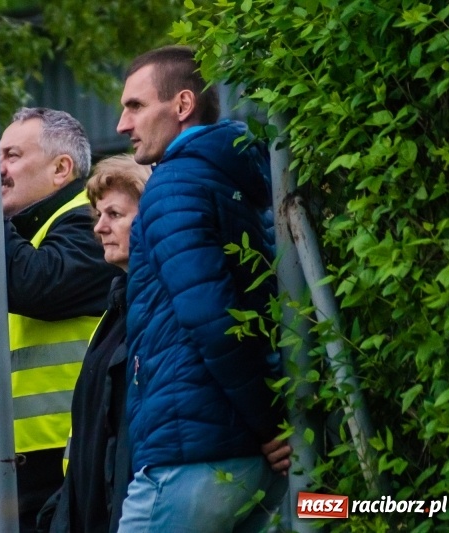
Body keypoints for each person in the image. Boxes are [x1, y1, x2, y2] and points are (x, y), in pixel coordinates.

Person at [115, 46, 290, 531]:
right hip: (244, 457)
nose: (121, 125)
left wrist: (267, 425)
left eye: (135, 106)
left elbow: (212, 319)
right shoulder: (236, 182)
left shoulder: (174, 184)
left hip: (192, 462)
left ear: (183, 105)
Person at [0, 107, 122, 532]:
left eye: (12, 155)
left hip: (72, 457)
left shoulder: (93, 223)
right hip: (25, 463)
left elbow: (32, 285)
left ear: (60, 168)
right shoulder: (30, 231)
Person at [47, 155, 151, 533]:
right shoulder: (116, 309)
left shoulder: (157, 308)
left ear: (152, 217)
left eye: (115, 215)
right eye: (97, 217)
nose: (100, 228)